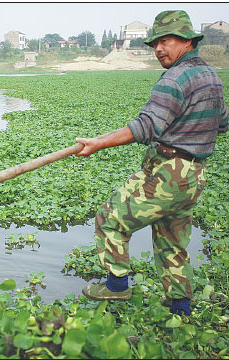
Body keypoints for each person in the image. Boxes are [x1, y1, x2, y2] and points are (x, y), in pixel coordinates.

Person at [75, 10, 228, 316]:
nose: (158, 48)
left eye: (165, 40)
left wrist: (97, 143)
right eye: (155, 43)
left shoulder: (175, 78)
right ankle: (180, 309)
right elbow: (222, 123)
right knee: (172, 241)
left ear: (187, 40)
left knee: (110, 218)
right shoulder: (211, 76)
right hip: (195, 176)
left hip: (168, 173)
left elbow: (146, 126)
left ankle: (116, 287)